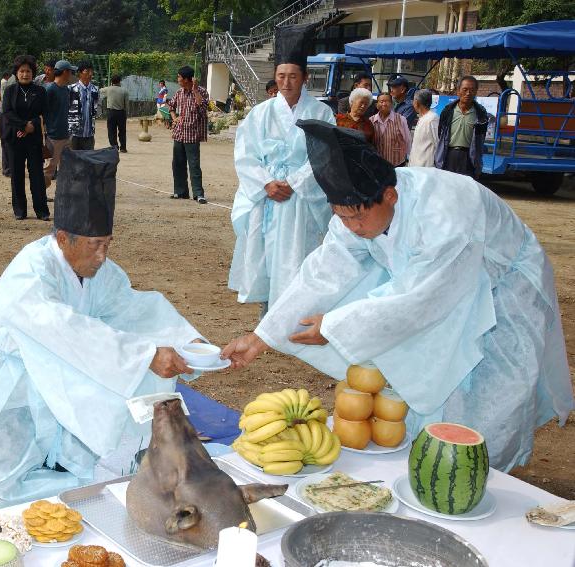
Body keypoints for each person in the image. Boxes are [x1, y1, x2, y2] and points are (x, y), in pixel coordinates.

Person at [222, 119, 573, 472]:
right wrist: (261, 337)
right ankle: (430, 465)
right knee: (434, 388)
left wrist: (334, 326)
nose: (352, 228)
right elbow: (325, 270)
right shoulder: (355, 210)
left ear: (390, 195)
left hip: (503, 289)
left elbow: (419, 299)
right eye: (340, 217)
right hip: (436, 288)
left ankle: (489, 475)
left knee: (493, 397)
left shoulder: (445, 211)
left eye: (356, 218)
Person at [0, 147, 205, 501]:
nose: (102, 256)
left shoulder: (99, 271)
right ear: (62, 239)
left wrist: (187, 343)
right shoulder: (31, 272)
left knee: (64, 453)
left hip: (52, 376)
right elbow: (63, 327)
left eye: (107, 244)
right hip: (3, 384)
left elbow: (134, 308)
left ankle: (54, 448)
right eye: (93, 245)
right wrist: (145, 353)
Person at [229, 21, 335, 318]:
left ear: (304, 77)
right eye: (281, 76)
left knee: (297, 255)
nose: (286, 82)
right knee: (266, 255)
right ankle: (267, 315)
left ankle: (296, 316)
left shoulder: (320, 113)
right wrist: (266, 183)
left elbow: (324, 155)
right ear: (275, 78)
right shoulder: (260, 113)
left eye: (293, 76)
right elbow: (245, 155)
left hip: (300, 198)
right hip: (268, 196)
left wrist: (294, 182)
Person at [2, 55, 49, 221]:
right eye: (21, 71)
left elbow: (44, 113)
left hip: (34, 140)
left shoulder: (40, 91)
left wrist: (31, 126)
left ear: (33, 73)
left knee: (36, 175)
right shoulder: (9, 91)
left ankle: (42, 210)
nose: (25, 74)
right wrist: (23, 126)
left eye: (28, 71)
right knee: (16, 175)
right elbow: (7, 113)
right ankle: (20, 210)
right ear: (16, 73)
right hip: (14, 138)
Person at [168, 66, 209, 204]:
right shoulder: (179, 93)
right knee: (178, 164)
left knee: (194, 165)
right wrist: (174, 118)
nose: (178, 79)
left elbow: (203, 109)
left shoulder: (202, 91)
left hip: (192, 135)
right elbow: (171, 106)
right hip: (179, 134)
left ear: (187, 79)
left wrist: (195, 90)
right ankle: (180, 192)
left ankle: (198, 194)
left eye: (179, 77)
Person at [435, 76, 488, 179]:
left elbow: (481, 139)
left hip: (469, 158)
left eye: (472, 90)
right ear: (458, 91)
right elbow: (440, 134)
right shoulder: (448, 111)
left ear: (476, 92)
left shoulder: (480, 114)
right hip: (449, 156)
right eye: (465, 90)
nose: (468, 93)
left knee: (466, 190)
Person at [43, 60, 75, 189]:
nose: (72, 74)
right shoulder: (50, 89)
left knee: (67, 166)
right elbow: (42, 112)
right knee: (49, 168)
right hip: (53, 135)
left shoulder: (66, 90)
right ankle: (40, 194)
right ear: (65, 72)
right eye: (71, 71)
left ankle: (64, 194)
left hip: (65, 134)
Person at [370, 93, 410, 166]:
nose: (384, 104)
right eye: (381, 101)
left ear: (392, 104)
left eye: (387, 101)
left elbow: (407, 140)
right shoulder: (371, 121)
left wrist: (407, 157)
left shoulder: (401, 119)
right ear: (376, 105)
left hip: (397, 163)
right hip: (377, 163)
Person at [68, 61, 100, 150]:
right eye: (87, 71)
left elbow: (97, 109)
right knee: (73, 159)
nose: (90, 74)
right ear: (80, 73)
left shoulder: (95, 90)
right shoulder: (71, 89)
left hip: (89, 133)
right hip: (74, 133)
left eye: (91, 71)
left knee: (88, 160)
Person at [409, 89, 439, 167]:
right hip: (416, 165)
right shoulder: (423, 118)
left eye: (413, 100)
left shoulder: (432, 119)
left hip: (426, 167)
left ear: (417, 102)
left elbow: (437, 143)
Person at [102, 74, 129, 153]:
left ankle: (114, 147)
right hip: (121, 112)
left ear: (111, 82)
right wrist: (126, 113)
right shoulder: (124, 91)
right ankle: (123, 147)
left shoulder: (108, 89)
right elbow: (126, 104)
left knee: (111, 130)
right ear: (120, 81)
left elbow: (99, 91)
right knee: (122, 131)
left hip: (111, 112)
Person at [0, 71, 13, 176]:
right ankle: (8, 168)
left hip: (6, 114)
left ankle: (8, 168)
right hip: (6, 114)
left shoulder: (7, 80)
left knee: (7, 141)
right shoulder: (6, 81)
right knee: (7, 141)